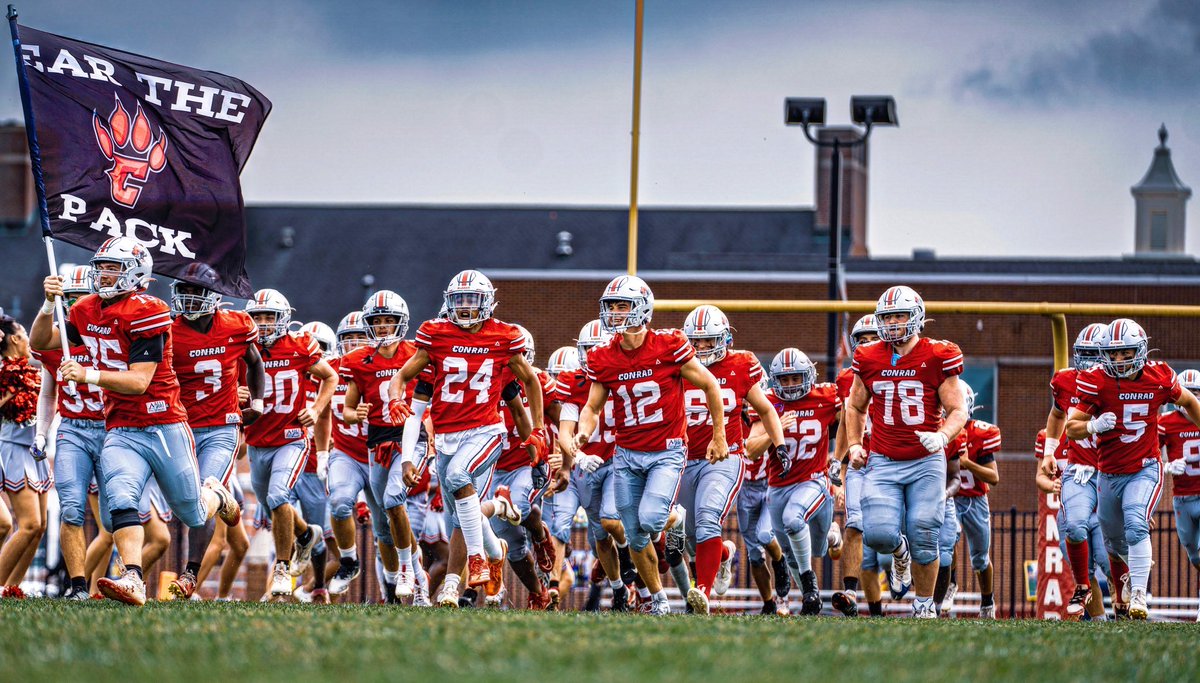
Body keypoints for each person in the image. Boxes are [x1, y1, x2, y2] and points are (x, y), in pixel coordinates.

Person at [29, 236, 240, 605]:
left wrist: (89, 375)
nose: (104, 274)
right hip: (121, 426)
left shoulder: (147, 309)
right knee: (121, 499)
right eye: (102, 267)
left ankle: (216, 493)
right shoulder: (86, 308)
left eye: (113, 267)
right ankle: (132, 577)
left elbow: (140, 381)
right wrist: (48, 305)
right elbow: (42, 342)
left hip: (163, 424)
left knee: (190, 511)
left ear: (135, 272)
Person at [566, 276, 727, 616]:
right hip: (626, 454)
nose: (614, 313)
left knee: (651, 520)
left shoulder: (669, 345)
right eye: (610, 306)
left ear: (643, 308)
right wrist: (583, 432)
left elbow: (711, 384)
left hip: (666, 451)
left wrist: (719, 435)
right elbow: (593, 406)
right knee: (636, 537)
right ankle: (659, 599)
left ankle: (675, 520)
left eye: (621, 305)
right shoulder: (604, 357)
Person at [388, 270, 546, 605]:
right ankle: (494, 549)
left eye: (471, 299)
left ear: (487, 302)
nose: (464, 307)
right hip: (447, 437)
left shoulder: (503, 337)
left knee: (460, 478)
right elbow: (403, 377)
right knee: (459, 514)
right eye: (459, 299)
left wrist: (537, 432)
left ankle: (472, 564)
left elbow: (528, 387)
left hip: (486, 432)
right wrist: (394, 399)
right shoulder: (436, 337)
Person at [844, 285, 968, 618]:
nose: (893, 323)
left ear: (917, 318)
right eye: (887, 317)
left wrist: (942, 437)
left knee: (924, 531)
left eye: (900, 316)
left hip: (925, 460)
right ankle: (900, 554)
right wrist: (855, 443)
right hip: (883, 459)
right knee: (878, 534)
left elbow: (958, 410)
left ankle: (925, 605)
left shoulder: (937, 354)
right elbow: (854, 406)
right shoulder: (869, 356)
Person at [1066, 318, 1200, 620]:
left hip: (1145, 468)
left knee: (1137, 522)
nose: (1118, 360)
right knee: (1113, 541)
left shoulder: (1159, 375)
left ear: (1139, 351)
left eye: (1125, 353)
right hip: (1109, 472)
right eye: (1113, 354)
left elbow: (1190, 402)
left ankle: (1139, 594)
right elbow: (1071, 428)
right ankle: (1128, 578)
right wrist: (1092, 425)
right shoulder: (1096, 379)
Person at [677, 305, 785, 614]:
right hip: (683, 459)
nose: (701, 348)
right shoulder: (678, 366)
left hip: (725, 457)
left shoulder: (740, 365)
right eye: (696, 342)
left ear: (724, 339)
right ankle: (723, 556)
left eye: (708, 341)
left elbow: (765, 409)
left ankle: (703, 595)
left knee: (709, 517)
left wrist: (779, 446)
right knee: (687, 534)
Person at [166, 270, 265, 599]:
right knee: (188, 498)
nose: (188, 297)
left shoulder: (236, 325)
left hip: (223, 427)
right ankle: (229, 498)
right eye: (184, 289)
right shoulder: (168, 331)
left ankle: (190, 574)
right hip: (182, 427)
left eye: (196, 290)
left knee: (203, 492)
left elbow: (256, 362)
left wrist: (258, 401)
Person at [243, 288, 336, 598]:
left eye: (270, 317)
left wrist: (316, 408)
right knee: (273, 505)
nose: (265, 323)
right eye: (259, 317)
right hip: (258, 441)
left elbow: (330, 376)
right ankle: (307, 533)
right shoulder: (243, 347)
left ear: (283, 319)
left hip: (291, 439)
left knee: (278, 495)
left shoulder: (299, 345)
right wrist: (236, 397)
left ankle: (283, 568)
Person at [29, 266, 103, 600]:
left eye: (79, 298)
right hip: (72, 428)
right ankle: (77, 587)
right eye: (67, 299)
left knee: (118, 515)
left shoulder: (112, 335)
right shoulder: (55, 341)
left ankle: (125, 579)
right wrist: (41, 432)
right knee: (71, 508)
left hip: (113, 429)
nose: (73, 306)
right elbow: (48, 393)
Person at [748, 348, 838, 615]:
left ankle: (810, 587)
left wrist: (840, 460)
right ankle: (812, 597)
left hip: (814, 481)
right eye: (784, 380)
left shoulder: (826, 397)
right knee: (793, 553)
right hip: (778, 487)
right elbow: (751, 449)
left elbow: (851, 420)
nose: (789, 385)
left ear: (808, 375)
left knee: (794, 520)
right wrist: (776, 431)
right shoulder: (769, 402)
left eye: (795, 378)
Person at [1042, 323, 1110, 619]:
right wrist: (1049, 450)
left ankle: (1125, 608)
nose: (1088, 363)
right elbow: (1057, 412)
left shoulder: (1123, 384)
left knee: (1111, 558)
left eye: (1095, 355)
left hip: (1114, 472)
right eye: (1083, 355)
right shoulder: (1066, 381)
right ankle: (1095, 615)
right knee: (1075, 531)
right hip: (1080, 472)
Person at [0, 312, 47, 596]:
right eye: (26, 334)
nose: (30, 339)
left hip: (34, 450)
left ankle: (10, 589)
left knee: (38, 527)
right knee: (28, 525)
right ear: (15, 338)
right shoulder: (4, 372)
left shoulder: (30, 368)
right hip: (14, 448)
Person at [1158, 368, 1200, 622]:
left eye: (1197, 392)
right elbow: (1149, 457)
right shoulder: (1165, 422)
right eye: (1190, 392)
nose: (1193, 397)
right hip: (1181, 497)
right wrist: (1167, 465)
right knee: (1194, 556)